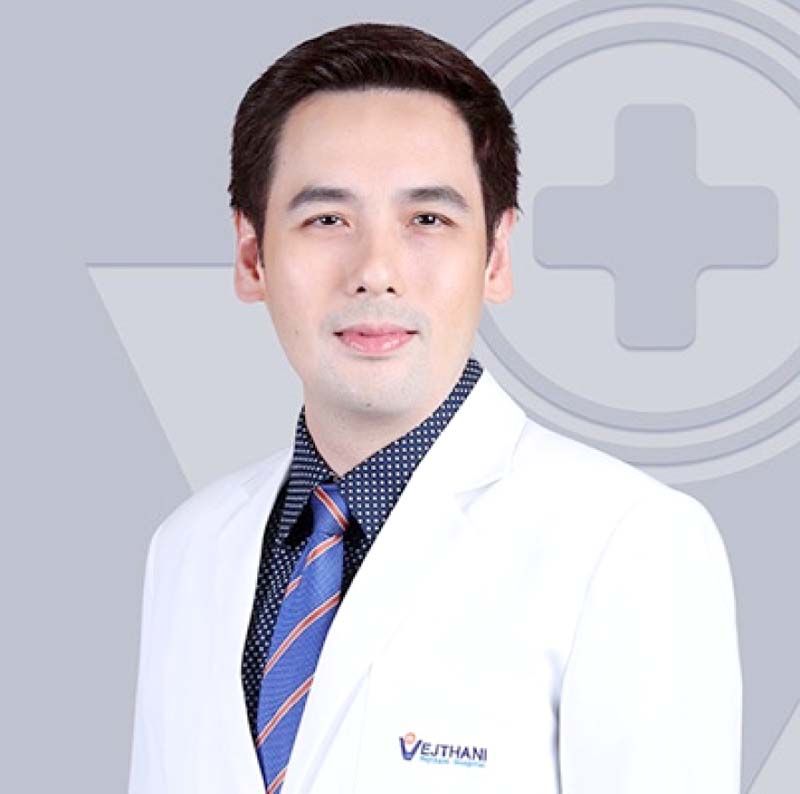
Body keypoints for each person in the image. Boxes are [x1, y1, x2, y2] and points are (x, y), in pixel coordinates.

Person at [127, 21, 742, 794]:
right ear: (252, 256)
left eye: (427, 219)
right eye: (326, 219)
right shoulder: (188, 549)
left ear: (495, 255)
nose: (375, 270)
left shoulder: (628, 542)